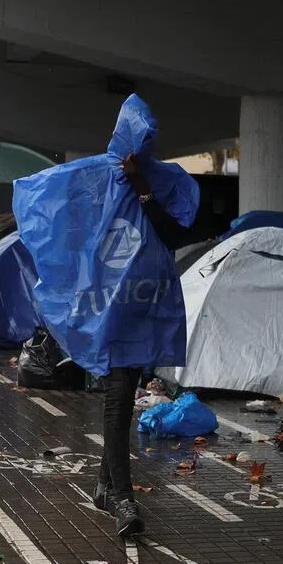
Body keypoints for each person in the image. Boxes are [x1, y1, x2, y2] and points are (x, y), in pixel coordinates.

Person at [92, 152, 194, 539]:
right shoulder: (101, 184)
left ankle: (105, 488)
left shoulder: (157, 184)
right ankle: (121, 497)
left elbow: (173, 235)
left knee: (122, 404)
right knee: (117, 403)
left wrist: (143, 191)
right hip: (108, 313)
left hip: (141, 308)